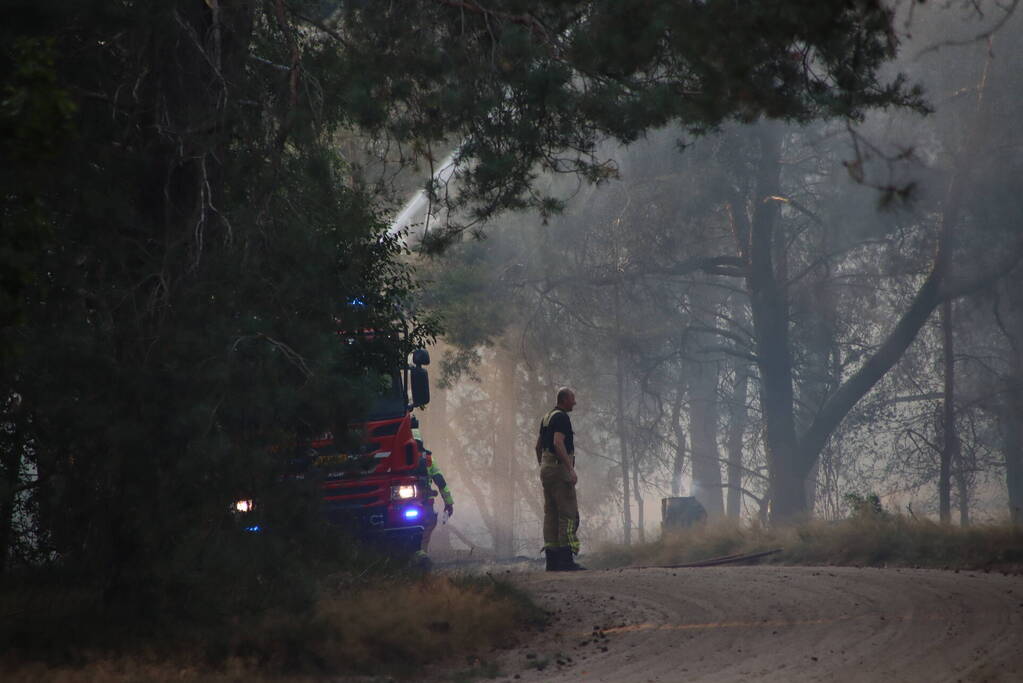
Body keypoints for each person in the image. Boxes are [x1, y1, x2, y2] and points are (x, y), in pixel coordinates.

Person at [535, 387, 585, 571]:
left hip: (546, 469)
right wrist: (569, 468)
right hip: (559, 469)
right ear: (564, 400)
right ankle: (566, 560)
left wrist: (543, 466)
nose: (575, 402)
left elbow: (537, 446)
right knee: (568, 514)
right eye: (573, 398)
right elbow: (558, 442)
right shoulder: (562, 417)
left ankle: (552, 562)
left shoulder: (547, 417)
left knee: (551, 514)